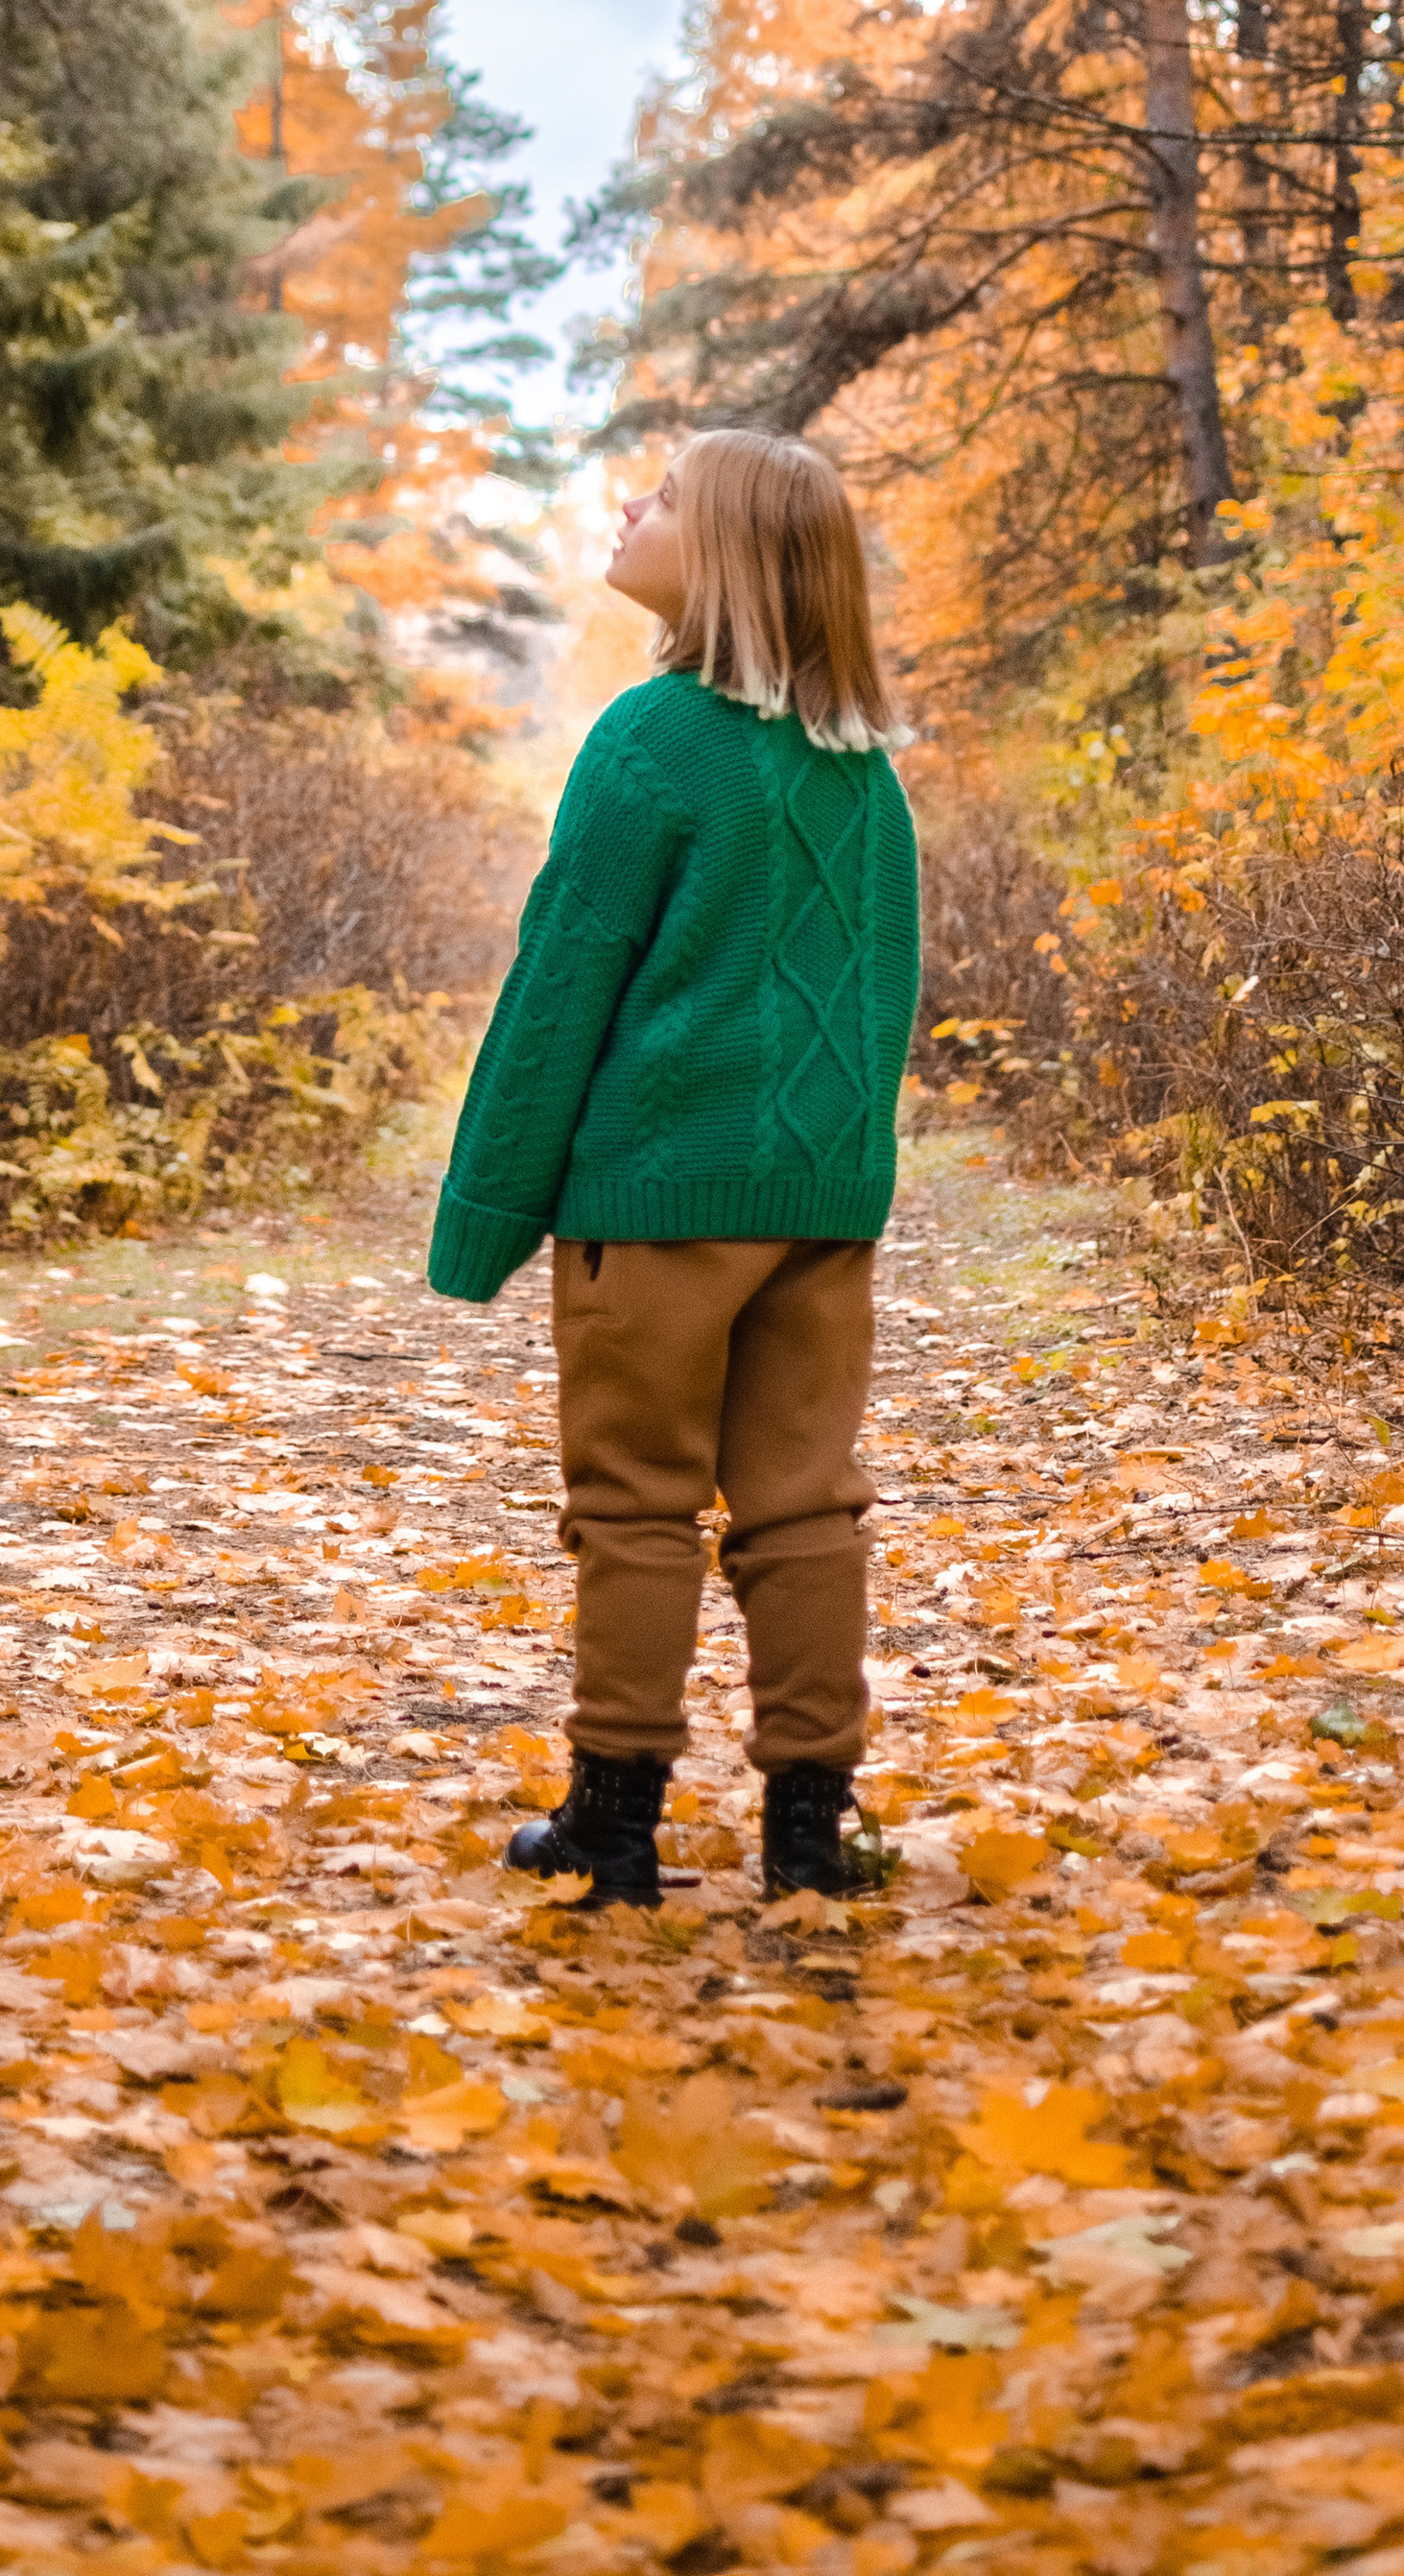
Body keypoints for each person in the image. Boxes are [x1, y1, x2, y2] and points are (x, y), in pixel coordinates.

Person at [426, 430, 919, 1908]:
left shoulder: (648, 740)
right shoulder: (864, 770)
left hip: (654, 1204)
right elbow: (879, 996)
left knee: (636, 1503)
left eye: (666, 496)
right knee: (805, 1504)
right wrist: (839, 1174)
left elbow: (560, 984)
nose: (632, 505)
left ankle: (615, 1824)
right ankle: (809, 1835)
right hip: (818, 1209)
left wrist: (484, 1216)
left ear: (727, 558)